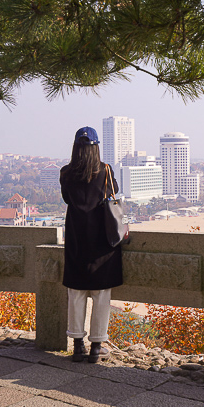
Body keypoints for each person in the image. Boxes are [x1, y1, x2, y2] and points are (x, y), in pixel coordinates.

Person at [59, 126, 122, 363]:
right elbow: (113, 192)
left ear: (75, 148)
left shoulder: (66, 173)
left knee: (75, 292)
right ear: (96, 148)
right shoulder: (105, 170)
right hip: (102, 241)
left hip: (76, 238)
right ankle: (96, 346)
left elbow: (67, 198)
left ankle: (77, 345)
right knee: (101, 294)